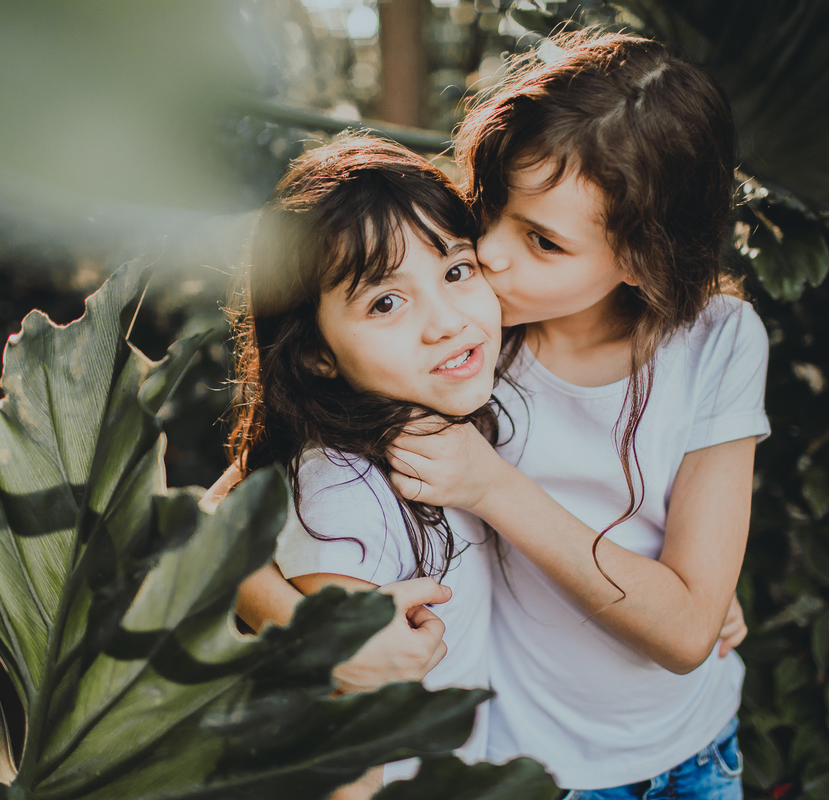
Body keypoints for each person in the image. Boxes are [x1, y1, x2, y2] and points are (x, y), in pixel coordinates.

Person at [383, 31, 769, 800]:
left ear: (644, 257)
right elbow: (242, 514)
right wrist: (325, 626)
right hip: (531, 773)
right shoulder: (453, 330)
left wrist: (491, 486)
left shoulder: (719, 340)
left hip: (695, 754)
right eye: (493, 206)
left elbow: (689, 633)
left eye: (543, 242)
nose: (488, 253)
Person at [208, 133, 504, 799]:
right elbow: (343, 716)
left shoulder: (450, 405)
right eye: (386, 302)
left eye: (456, 271)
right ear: (316, 354)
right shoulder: (344, 488)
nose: (447, 322)